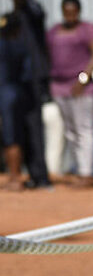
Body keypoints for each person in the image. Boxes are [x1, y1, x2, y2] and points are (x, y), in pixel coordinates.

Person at [46, 0, 93, 186]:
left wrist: (83, 79)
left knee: (83, 129)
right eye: (66, 11)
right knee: (69, 131)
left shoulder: (87, 30)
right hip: (59, 86)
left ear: (78, 11)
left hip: (81, 87)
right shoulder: (53, 31)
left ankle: (86, 172)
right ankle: (77, 169)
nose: (69, 15)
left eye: (72, 12)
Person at [7, 0, 51, 188]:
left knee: (34, 129)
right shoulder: (9, 20)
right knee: (16, 129)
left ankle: (40, 176)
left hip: (33, 81)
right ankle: (26, 174)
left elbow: (38, 11)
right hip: (12, 83)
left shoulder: (33, 16)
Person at [0, 13, 32, 190]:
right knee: (13, 136)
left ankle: (15, 178)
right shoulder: (22, 47)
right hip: (14, 94)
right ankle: (15, 176)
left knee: (9, 137)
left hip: (6, 94)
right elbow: (27, 75)